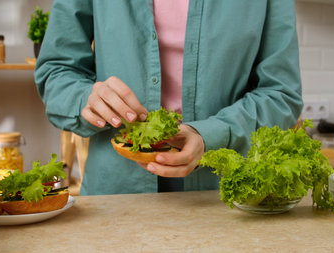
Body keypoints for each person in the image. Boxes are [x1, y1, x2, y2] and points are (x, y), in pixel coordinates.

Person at [34, 0, 303, 195]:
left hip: (221, 196)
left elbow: (281, 93)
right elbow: (56, 71)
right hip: (116, 196)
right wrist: (86, 100)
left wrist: (210, 135)